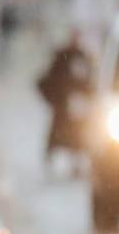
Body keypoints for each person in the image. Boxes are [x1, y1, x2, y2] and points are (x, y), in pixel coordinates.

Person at [37, 30, 95, 172]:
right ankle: (50, 159)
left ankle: (76, 164)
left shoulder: (83, 56)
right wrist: (55, 98)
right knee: (58, 134)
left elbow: (88, 81)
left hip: (76, 105)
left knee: (77, 136)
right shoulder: (62, 55)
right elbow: (50, 78)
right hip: (62, 104)